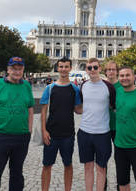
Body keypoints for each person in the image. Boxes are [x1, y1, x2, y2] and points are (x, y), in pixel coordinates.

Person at [0, 57, 35, 191]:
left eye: (20, 68)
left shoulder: (26, 86)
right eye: (14, 68)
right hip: (0, 136)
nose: (17, 71)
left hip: (21, 137)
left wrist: (29, 130)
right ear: (8, 69)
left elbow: (30, 109)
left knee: (17, 174)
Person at [40, 56, 82, 191]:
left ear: (70, 68)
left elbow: (77, 110)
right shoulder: (50, 88)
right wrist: (43, 130)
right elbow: (44, 110)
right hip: (51, 133)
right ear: (57, 68)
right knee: (47, 165)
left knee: (68, 164)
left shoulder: (75, 89)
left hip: (68, 134)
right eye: (61, 67)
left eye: (66, 67)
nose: (64, 69)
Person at [78, 58, 116, 191]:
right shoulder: (83, 85)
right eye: (89, 68)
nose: (92, 70)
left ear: (100, 69)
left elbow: (115, 107)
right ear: (86, 70)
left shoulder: (108, 86)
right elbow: (82, 105)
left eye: (95, 67)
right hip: (84, 132)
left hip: (102, 132)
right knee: (87, 167)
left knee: (101, 167)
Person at [104, 60, 122, 191]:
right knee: (102, 159)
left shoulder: (122, 86)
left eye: (113, 69)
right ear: (105, 71)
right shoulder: (100, 85)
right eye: (109, 69)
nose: (111, 72)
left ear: (117, 71)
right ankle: (102, 186)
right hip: (103, 127)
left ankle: (120, 186)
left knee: (120, 160)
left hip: (119, 127)